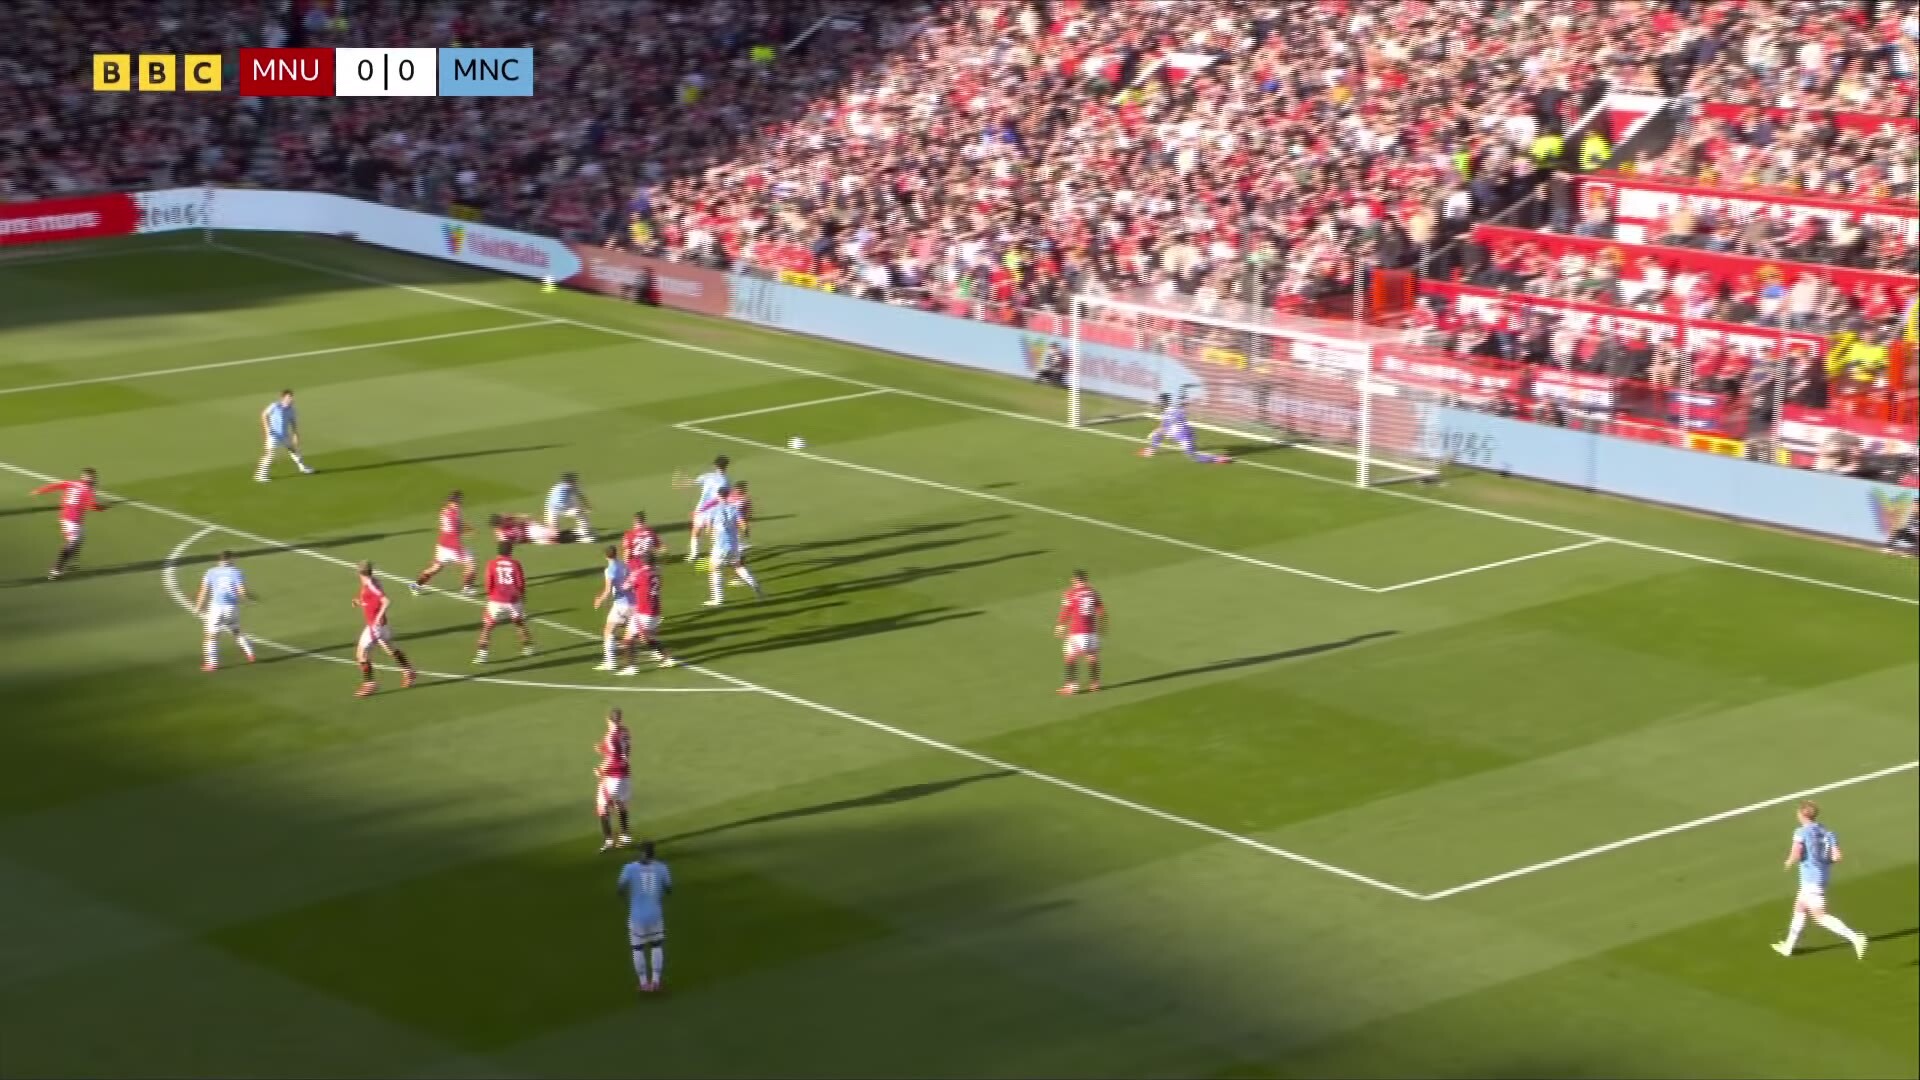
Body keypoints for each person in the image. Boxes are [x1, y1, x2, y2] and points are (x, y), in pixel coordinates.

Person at [1772, 800, 1868, 959]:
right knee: (1800, 908)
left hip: (1810, 880)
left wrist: (1789, 861)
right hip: (1821, 877)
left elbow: (1797, 852)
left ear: (1801, 814)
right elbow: (1837, 857)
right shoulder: (1826, 832)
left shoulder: (1801, 832)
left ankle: (1855, 937)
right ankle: (1788, 947)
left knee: (1820, 916)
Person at [352, 561, 417, 697]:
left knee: (361, 654)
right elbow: (372, 600)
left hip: (374, 626)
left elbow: (386, 601)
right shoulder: (374, 582)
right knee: (389, 649)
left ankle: (369, 684)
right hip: (383, 625)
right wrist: (360, 602)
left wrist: (377, 617)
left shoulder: (370, 584)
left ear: (359, 573)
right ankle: (408, 671)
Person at [30, 467, 109, 579]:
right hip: (71, 519)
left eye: (92, 477)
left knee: (80, 538)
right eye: (91, 477)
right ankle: (56, 570)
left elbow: (56, 486)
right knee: (73, 541)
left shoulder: (72, 483)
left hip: (71, 518)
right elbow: (93, 506)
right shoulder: (88, 490)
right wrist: (103, 508)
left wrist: (39, 490)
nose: (92, 479)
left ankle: (72, 562)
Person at [616, 839, 672, 993]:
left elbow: (620, 888)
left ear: (640, 852)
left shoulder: (629, 868)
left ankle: (643, 983)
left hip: (637, 915)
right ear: (653, 853)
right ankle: (656, 982)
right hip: (655, 914)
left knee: (638, 948)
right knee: (656, 945)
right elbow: (669, 889)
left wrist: (631, 899)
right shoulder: (662, 868)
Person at [193, 549, 256, 671]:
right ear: (232, 559)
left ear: (219, 560)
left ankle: (212, 663)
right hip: (232, 607)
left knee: (211, 635)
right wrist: (249, 600)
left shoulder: (211, 572)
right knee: (236, 630)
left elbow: (204, 591)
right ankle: (250, 654)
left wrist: (198, 607)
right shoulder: (237, 572)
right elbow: (242, 591)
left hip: (216, 607)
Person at [702, 486, 763, 607]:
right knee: (738, 566)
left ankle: (718, 599)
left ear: (718, 495)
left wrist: (711, 531)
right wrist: (745, 532)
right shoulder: (734, 509)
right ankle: (755, 585)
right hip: (734, 545)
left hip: (720, 546)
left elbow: (708, 530)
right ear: (728, 495)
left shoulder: (712, 511)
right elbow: (743, 525)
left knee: (715, 569)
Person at [475, 541, 534, 663]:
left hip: (496, 600)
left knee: (487, 627)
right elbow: (520, 583)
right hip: (513, 600)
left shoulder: (492, 563)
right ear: (511, 551)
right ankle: (528, 648)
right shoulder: (515, 564)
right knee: (519, 623)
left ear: (498, 550)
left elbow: (488, 581)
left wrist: (490, 594)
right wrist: (522, 596)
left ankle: (482, 655)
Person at [412, 491, 476, 595]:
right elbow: (456, 528)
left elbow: (457, 524)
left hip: (442, 545)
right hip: (453, 546)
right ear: (451, 501)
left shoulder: (446, 510)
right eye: (457, 500)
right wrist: (466, 530)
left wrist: (466, 527)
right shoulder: (453, 513)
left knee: (436, 568)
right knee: (471, 565)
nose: (459, 502)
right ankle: (467, 588)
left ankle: (416, 585)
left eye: (459, 500)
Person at [1138, 392, 1230, 463]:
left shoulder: (1171, 412)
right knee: (1158, 434)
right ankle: (1152, 449)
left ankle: (1217, 459)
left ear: (1164, 402)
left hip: (1184, 436)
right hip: (1178, 432)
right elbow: (1164, 425)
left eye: (1160, 402)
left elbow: (1165, 425)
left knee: (1193, 457)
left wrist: (1155, 432)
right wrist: (1157, 431)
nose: (1159, 404)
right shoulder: (1170, 411)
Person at [1054, 569, 1106, 695]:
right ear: (1086, 579)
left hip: (1077, 631)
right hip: (1092, 632)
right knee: (1092, 656)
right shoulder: (1093, 592)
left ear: (1074, 580)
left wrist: (1060, 625)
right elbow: (1101, 611)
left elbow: (1066, 611)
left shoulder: (1071, 593)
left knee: (1070, 657)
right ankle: (1095, 683)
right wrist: (1102, 626)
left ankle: (1071, 686)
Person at [592, 544, 638, 671]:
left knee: (608, 632)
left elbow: (608, 590)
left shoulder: (610, 570)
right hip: (633, 602)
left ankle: (610, 662)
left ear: (605, 556)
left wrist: (599, 600)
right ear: (616, 553)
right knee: (631, 632)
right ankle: (657, 652)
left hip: (621, 605)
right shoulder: (624, 565)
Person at [677, 455, 730, 563]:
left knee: (696, 531)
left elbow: (692, 482)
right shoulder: (726, 482)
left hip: (703, 508)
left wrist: (682, 482)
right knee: (713, 533)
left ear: (715, 465)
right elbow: (722, 498)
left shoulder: (708, 476)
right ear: (726, 466)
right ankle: (720, 555)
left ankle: (694, 554)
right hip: (715, 510)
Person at [256, 389, 314, 482]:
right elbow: (264, 414)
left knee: (294, 450)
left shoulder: (292, 410)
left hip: (284, 435)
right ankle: (261, 475)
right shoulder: (275, 406)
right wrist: (267, 429)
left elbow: (293, 423)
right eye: (289, 397)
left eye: (292, 397)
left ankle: (303, 467)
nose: (291, 399)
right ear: (283, 398)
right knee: (270, 454)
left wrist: (295, 435)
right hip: (273, 434)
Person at [596, 709, 634, 851]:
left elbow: (612, 758)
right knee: (621, 804)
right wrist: (603, 750)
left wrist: (601, 770)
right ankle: (625, 836)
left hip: (612, 776)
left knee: (602, 807)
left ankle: (609, 841)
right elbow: (624, 751)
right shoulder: (625, 731)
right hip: (625, 774)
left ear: (608, 719)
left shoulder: (610, 736)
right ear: (620, 719)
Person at [544, 472, 594, 540]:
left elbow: (580, 495)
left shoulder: (573, 486)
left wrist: (587, 505)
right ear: (569, 481)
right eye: (574, 480)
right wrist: (578, 509)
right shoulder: (561, 490)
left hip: (566, 506)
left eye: (575, 480)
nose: (576, 482)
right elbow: (558, 505)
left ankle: (586, 532)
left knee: (580, 513)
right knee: (554, 533)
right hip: (554, 509)